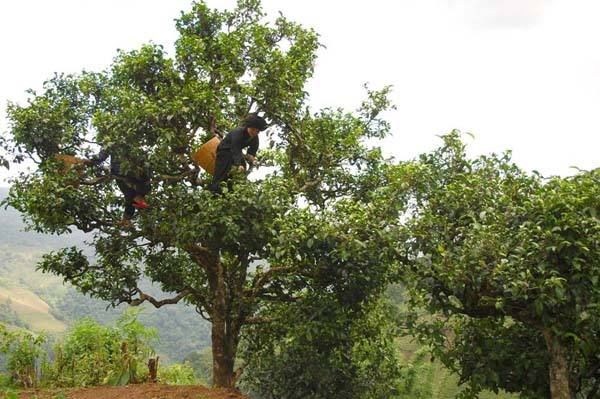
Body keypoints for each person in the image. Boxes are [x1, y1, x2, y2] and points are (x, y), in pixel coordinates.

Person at [87, 148, 151, 225]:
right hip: (129, 172)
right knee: (132, 193)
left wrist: (92, 161)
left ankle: (126, 219)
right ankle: (126, 218)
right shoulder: (144, 188)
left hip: (123, 172)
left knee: (131, 194)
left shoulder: (133, 193)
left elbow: (101, 157)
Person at [208, 114, 268, 193]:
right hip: (224, 151)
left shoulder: (255, 138)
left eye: (256, 131)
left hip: (236, 154)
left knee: (242, 169)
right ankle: (214, 191)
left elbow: (253, 150)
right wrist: (238, 164)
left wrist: (252, 158)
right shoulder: (238, 132)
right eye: (252, 129)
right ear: (248, 127)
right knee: (221, 174)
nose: (254, 132)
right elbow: (235, 148)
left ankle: (232, 192)